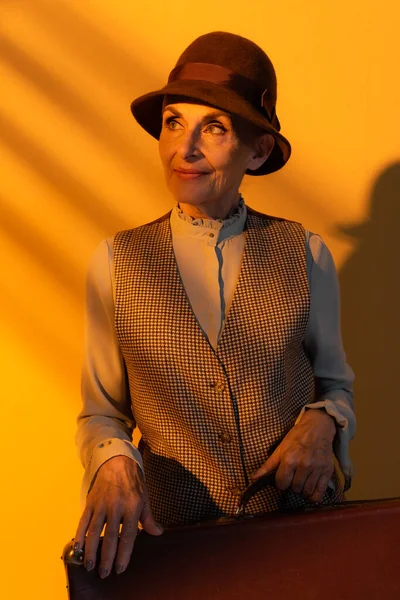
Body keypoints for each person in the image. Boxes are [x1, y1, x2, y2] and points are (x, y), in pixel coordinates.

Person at [73, 31, 356, 579]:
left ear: (259, 150)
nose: (185, 148)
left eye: (215, 129)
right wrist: (112, 463)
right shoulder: (116, 260)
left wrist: (324, 423)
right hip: (177, 550)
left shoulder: (306, 252)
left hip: (300, 543)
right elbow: (102, 413)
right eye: (174, 122)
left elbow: (335, 385)